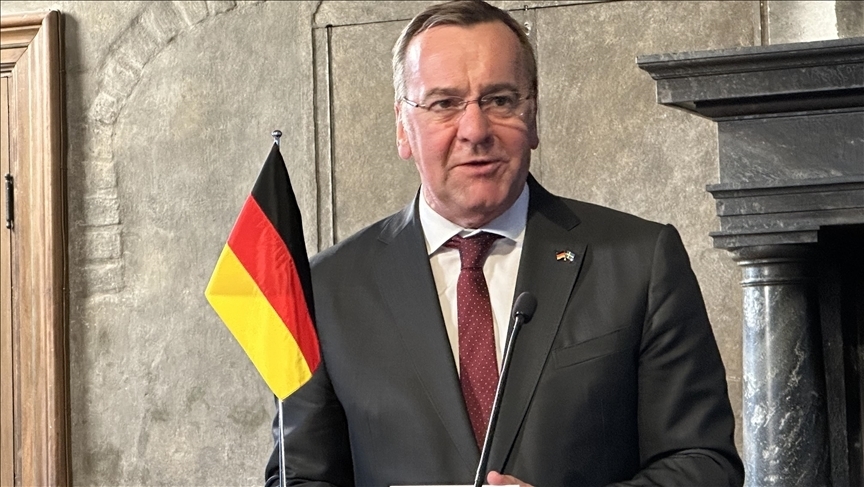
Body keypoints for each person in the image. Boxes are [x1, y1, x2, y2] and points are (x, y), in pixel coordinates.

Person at [265, 1, 744, 485]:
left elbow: (703, 463)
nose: (475, 131)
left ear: (532, 116)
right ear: (402, 127)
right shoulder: (325, 289)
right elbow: (300, 476)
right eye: (444, 104)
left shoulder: (639, 261)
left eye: (499, 100)